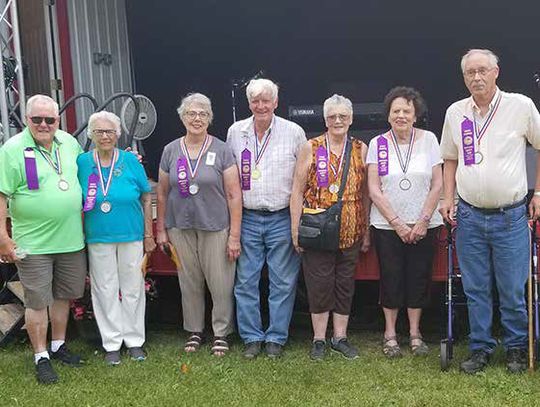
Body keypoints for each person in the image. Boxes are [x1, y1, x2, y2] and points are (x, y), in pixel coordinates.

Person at [440, 49, 540, 374]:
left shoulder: (520, 106)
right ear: (464, 76)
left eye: (483, 70)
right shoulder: (456, 112)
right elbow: (450, 159)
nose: (477, 77)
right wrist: (447, 197)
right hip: (469, 215)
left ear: (496, 71)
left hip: (510, 216)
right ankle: (480, 348)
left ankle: (515, 349)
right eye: (470, 72)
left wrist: (538, 192)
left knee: (512, 288)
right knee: (476, 287)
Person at [0, 95, 86, 384]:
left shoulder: (69, 143)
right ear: (27, 120)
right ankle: (41, 357)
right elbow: (1, 196)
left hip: (71, 239)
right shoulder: (12, 149)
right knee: (37, 301)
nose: (44, 125)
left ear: (58, 120)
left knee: (62, 296)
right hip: (33, 243)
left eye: (50, 119)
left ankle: (58, 345)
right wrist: (3, 237)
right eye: (37, 119)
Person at [156, 93, 242, 356]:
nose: (197, 119)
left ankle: (221, 332)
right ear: (182, 117)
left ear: (210, 119)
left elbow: (234, 193)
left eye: (203, 114)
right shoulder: (171, 150)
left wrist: (235, 235)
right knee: (189, 280)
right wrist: (160, 229)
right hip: (179, 227)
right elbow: (161, 192)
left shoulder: (221, 149)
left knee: (220, 282)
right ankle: (194, 330)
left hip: (215, 225)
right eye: (192, 113)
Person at [227, 78, 306, 359]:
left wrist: (298, 221)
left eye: (266, 100)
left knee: (283, 281)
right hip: (247, 217)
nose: (260, 106)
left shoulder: (294, 132)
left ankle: (275, 337)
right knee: (245, 280)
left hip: (281, 216)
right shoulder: (236, 132)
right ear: (249, 103)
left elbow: (302, 179)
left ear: (276, 102)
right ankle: (251, 337)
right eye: (255, 100)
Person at [290, 94, 370, 360]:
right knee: (319, 284)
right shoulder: (310, 147)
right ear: (325, 119)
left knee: (345, 285)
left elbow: (366, 193)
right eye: (333, 116)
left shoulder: (361, 148)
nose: (338, 121)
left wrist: (366, 229)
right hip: (318, 229)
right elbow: (297, 191)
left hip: (351, 228)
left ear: (350, 119)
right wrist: (295, 229)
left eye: (343, 116)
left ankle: (340, 337)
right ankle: (318, 340)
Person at [367, 87, 443, 358]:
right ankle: (390, 334)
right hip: (388, 225)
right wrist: (398, 223)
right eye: (396, 111)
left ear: (415, 115)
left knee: (419, 277)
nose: (401, 115)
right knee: (391, 277)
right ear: (388, 116)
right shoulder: (378, 144)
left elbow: (438, 184)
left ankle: (414, 333)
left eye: (406, 111)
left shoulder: (430, 140)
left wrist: (422, 220)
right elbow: (374, 189)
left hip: (425, 223)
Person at [77, 111, 155, 365]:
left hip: (131, 233)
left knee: (133, 287)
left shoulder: (131, 161)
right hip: (98, 235)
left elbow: (146, 196)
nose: (105, 136)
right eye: (99, 131)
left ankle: (134, 341)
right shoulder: (82, 162)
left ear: (118, 134)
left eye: (110, 131)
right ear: (91, 134)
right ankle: (111, 342)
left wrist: (148, 233)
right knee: (104, 288)